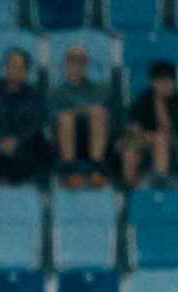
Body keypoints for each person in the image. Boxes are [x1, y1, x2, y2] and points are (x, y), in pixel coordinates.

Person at [0, 48, 51, 187]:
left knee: (39, 152)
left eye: (19, 66)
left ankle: (20, 189)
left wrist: (17, 140)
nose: (13, 69)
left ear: (25, 71)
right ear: (4, 68)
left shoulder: (34, 96)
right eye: (10, 64)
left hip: (23, 145)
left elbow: (35, 123)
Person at [117, 59, 178, 189]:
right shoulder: (143, 98)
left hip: (175, 141)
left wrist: (159, 101)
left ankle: (159, 181)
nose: (166, 85)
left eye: (168, 81)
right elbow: (133, 125)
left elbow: (167, 128)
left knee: (160, 138)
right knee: (129, 153)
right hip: (144, 139)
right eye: (161, 82)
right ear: (153, 82)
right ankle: (131, 191)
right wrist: (143, 136)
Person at [49, 44, 110, 189]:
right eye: (72, 60)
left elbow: (111, 119)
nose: (76, 65)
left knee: (98, 114)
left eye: (81, 60)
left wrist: (82, 111)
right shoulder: (55, 93)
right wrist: (82, 111)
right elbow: (52, 119)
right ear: (65, 64)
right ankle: (70, 172)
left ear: (86, 65)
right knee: (66, 118)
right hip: (65, 140)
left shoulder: (100, 90)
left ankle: (96, 169)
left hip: (93, 138)